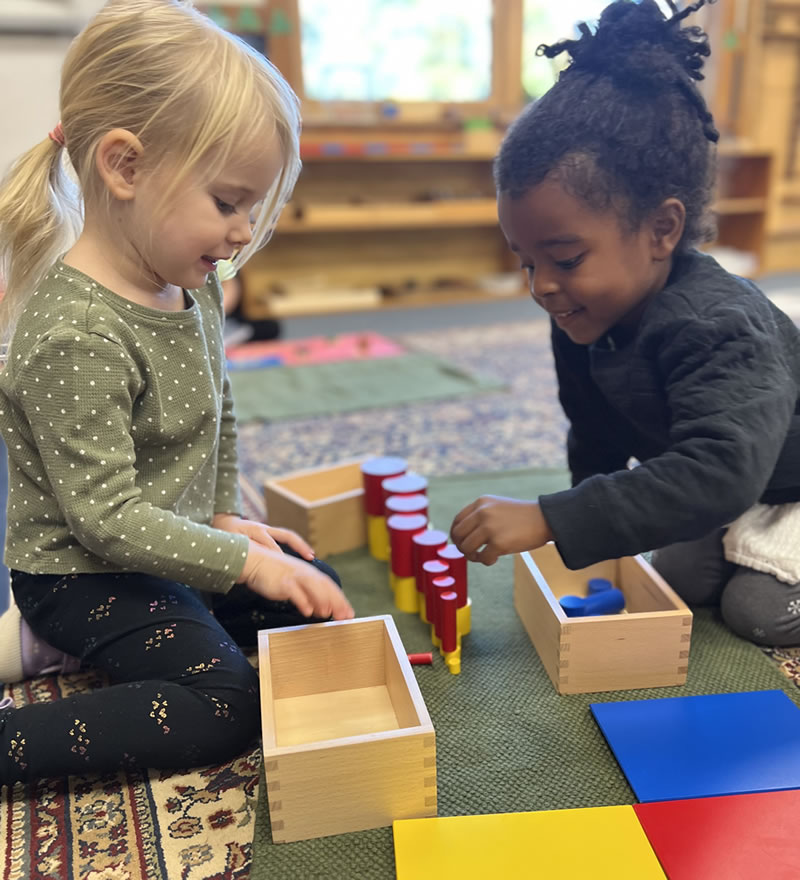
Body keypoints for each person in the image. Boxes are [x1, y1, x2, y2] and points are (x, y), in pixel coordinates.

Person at [0, 0, 353, 786]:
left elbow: (218, 403)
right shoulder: (76, 335)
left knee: (313, 592)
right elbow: (104, 520)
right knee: (224, 703)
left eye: (252, 207)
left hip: (159, 549)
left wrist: (225, 517)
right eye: (227, 203)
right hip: (80, 573)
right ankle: (38, 657)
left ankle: (60, 646)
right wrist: (237, 562)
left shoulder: (192, 284)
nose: (241, 230)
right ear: (125, 167)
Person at [450, 0, 800, 647]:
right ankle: (736, 540)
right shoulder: (581, 310)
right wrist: (593, 529)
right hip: (730, 483)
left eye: (564, 259)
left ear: (663, 229)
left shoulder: (719, 325)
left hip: (784, 484)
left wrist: (553, 520)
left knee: (756, 609)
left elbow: (722, 470)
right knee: (681, 579)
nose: (542, 286)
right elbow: (596, 433)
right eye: (525, 262)